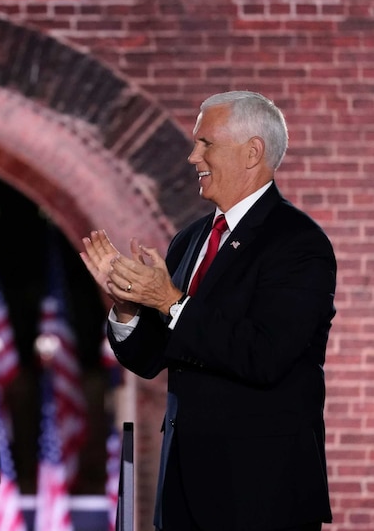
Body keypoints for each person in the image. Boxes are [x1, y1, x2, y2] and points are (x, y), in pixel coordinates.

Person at [80, 91, 335, 531]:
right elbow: (154, 357)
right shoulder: (191, 239)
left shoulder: (298, 243)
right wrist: (126, 307)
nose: (192, 155)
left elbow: (265, 356)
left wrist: (170, 301)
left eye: (205, 143)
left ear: (252, 152)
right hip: (182, 488)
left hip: (261, 496)